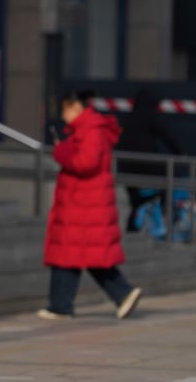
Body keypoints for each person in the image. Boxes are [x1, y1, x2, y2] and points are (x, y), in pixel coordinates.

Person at [39, 90, 142, 320]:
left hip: (84, 205)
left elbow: (85, 163)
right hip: (82, 204)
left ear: (75, 107)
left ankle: (66, 304)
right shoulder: (87, 130)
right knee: (74, 255)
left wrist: (61, 151)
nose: (63, 115)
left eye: (65, 109)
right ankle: (62, 304)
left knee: (77, 255)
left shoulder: (91, 130)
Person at [115, 88, 183, 234]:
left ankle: (132, 227)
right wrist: (181, 153)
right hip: (145, 166)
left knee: (135, 199)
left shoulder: (127, 118)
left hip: (126, 167)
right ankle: (166, 210)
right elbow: (168, 137)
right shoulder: (149, 116)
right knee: (171, 175)